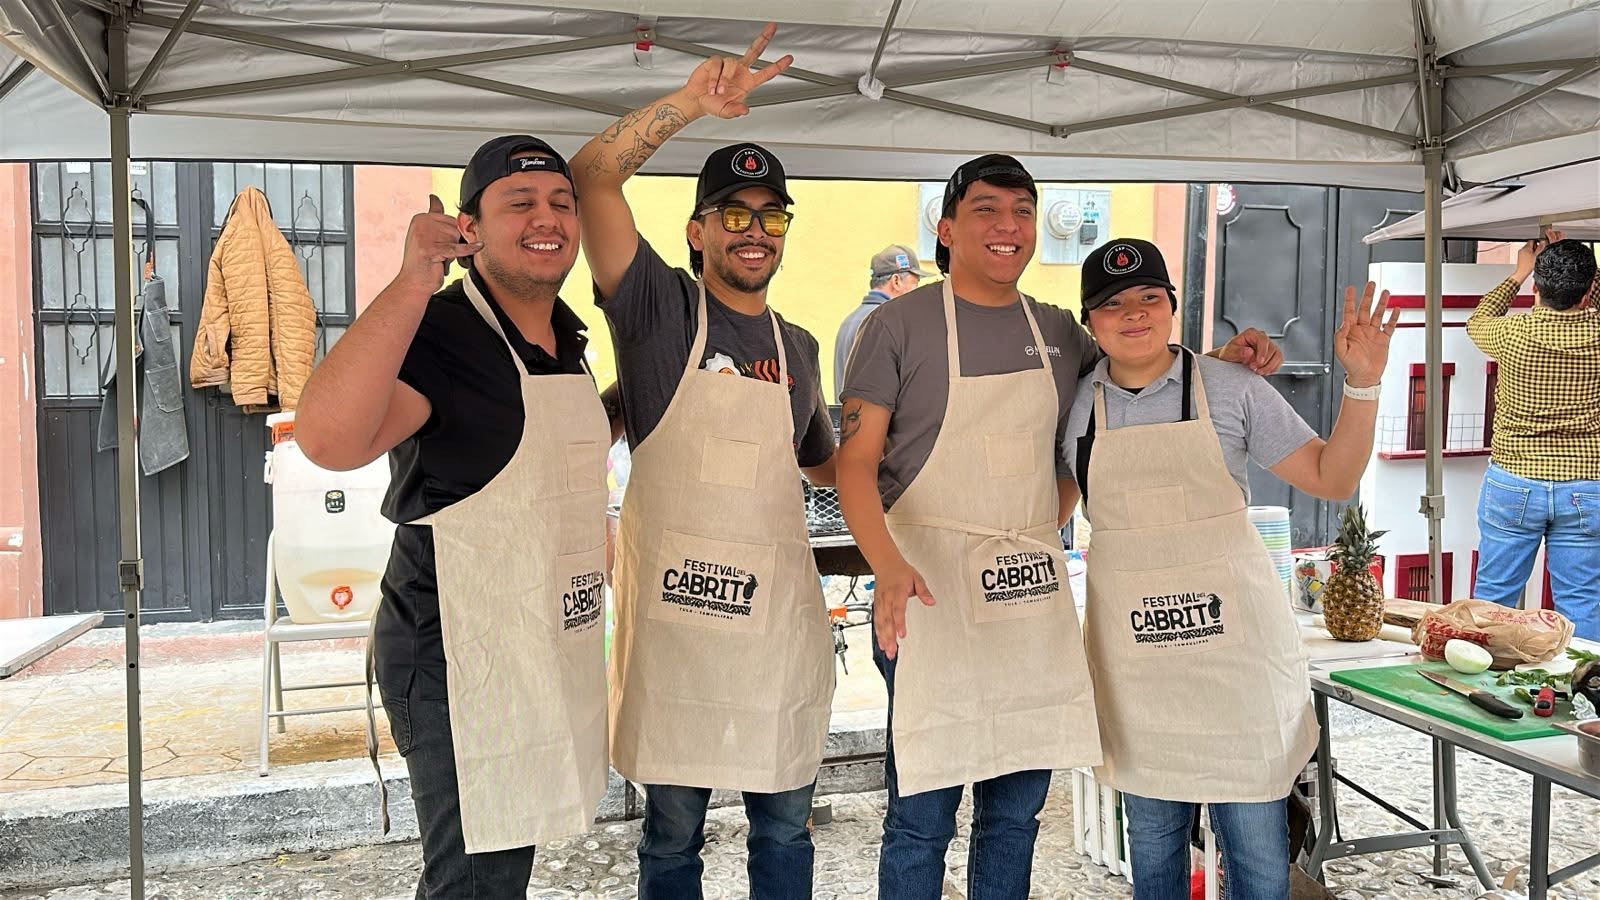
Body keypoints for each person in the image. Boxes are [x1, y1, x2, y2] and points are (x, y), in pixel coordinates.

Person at [835, 157, 1284, 899]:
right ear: (946, 229)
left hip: (1026, 594)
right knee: (921, 816)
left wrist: (1221, 365)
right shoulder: (896, 325)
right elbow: (854, 464)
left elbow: (1134, 379)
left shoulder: (1055, 330)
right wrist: (886, 565)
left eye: (1022, 210)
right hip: (926, 593)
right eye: (986, 209)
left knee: (1015, 816)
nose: (1008, 226)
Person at [294, 137, 616, 898]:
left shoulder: (567, 337)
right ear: (470, 228)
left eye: (562, 203)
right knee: (476, 877)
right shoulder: (438, 331)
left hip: (538, 638)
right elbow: (329, 441)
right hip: (455, 652)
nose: (547, 218)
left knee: (504, 864)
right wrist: (414, 278)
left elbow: (533, 446)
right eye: (520, 203)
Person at [569, 23, 837, 900]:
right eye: (734, 214)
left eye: (771, 216)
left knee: (785, 831)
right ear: (698, 229)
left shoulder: (800, 347)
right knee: (673, 838)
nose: (755, 231)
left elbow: (824, 467)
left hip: (775, 632)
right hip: (681, 625)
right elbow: (591, 177)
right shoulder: (659, 312)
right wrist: (690, 103)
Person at [1065, 238, 1397, 899]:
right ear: (1089, 322)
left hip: (1237, 664)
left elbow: (1331, 477)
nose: (1134, 314)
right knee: (1153, 852)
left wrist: (1364, 383)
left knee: (1257, 856)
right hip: (1139, 672)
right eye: (1113, 304)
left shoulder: (1232, 388)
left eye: (1149, 297)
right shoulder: (1073, 407)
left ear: (1172, 306)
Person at [1466, 229, 1600, 639]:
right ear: (1588, 293)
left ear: (1536, 288)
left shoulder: (1513, 335)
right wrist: (1582, 273)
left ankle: (1483, 672)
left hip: (1514, 480)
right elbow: (1587, 298)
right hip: (1586, 484)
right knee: (1581, 600)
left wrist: (1519, 273)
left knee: (1494, 598)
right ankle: (1584, 678)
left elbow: (1477, 321)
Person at [833, 244, 929, 401]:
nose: (917, 292)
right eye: (915, 283)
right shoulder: (888, 324)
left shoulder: (849, 321)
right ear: (896, 281)